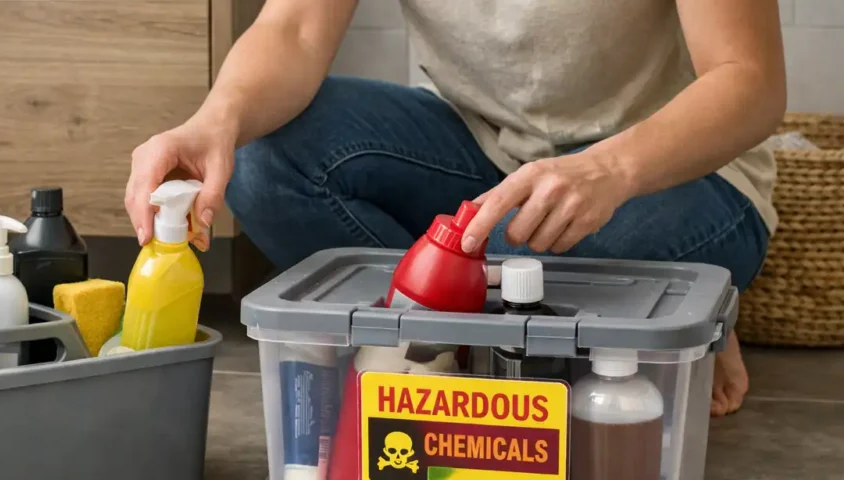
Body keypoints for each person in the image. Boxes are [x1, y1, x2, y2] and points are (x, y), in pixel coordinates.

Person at [125, 0, 784, 416]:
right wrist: (217, 121)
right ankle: (625, 329)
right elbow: (292, 29)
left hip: (671, 173)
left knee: (532, 270)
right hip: (487, 155)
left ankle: (686, 317)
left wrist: (610, 168)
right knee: (266, 158)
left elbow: (749, 81)